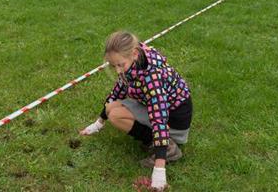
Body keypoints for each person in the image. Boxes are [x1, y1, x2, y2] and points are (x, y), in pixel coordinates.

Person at [79, 31, 193, 192]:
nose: (117, 71)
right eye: (113, 66)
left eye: (120, 65)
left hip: (174, 122)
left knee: (116, 115)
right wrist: (98, 123)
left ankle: (168, 149)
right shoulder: (132, 61)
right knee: (111, 107)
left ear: (134, 54)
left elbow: (159, 119)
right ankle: (156, 141)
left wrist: (159, 170)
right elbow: (118, 90)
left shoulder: (152, 77)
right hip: (160, 109)